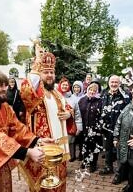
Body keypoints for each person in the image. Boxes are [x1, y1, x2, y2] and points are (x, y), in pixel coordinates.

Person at [19, 42, 73, 192]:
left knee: (60, 181)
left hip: (60, 147)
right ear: (40, 74)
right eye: (46, 72)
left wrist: (68, 114)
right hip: (43, 146)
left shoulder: (56, 92)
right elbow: (27, 89)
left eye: (52, 72)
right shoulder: (36, 92)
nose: (49, 75)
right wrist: (38, 60)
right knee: (44, 184)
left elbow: (67, 107)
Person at [99, 75, 131, 185]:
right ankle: (108, 167)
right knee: (107, 149)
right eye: (112, 82)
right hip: (106, 127)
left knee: (119, 151)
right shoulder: (104, 94)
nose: (113, 84)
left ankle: (120, 174)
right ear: (108, 83)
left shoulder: (125, 95)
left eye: (116, 82)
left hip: (119, 128)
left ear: (119, 83)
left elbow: (128, 112)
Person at [78, 80, 103, 173]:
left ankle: (93, 163)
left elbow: (102, 115)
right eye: (90, 90)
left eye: (94, 90)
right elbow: (78, 113)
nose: (92, 92)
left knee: (94, 146)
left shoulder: (100, 101)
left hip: (95, 128)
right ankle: (85, 160)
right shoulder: (82, 100)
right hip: (84, 127)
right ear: (87, 90)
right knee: (84, 145)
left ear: (97, 92)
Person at [68, 80, 84, 161]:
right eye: (75, 87)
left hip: (83, 120)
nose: (76, 89)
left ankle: (81, 154)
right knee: (72, 139)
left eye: (78, 87)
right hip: (73, 121)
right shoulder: (71, 98)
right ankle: (72, 155)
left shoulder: (84, 97)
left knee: (81, 139)